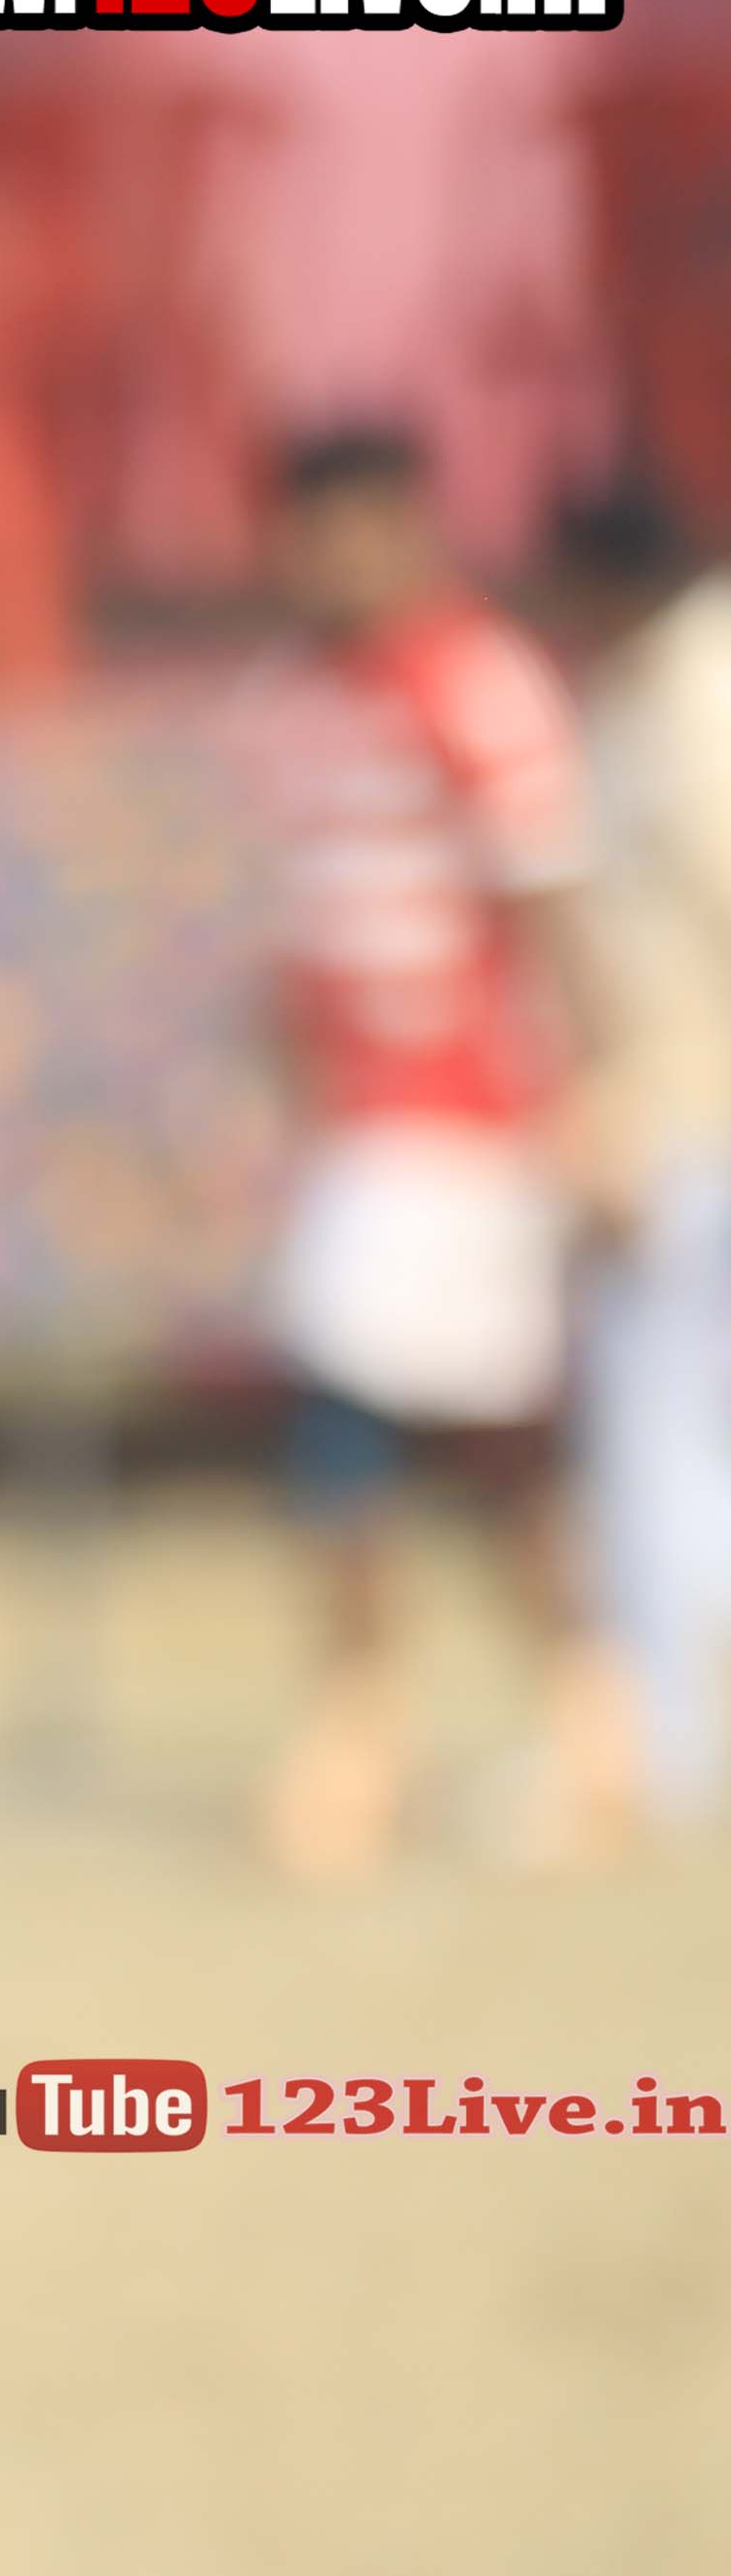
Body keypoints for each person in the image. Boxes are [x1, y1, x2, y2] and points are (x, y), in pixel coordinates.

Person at [233, 423, 635, 1878]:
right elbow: (291, 932)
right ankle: (527, 1714)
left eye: (363, 524)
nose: (338, 556)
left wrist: (594, 1098)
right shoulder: (284, 703)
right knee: (442, 1439)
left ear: (414, 526)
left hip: (463, 1124)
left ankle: (396, 1727)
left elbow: (551, 903)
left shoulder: (479, 681)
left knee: (396, 1429)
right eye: (313, 528)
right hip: (353, 1130)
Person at [554, 480, 731, 1827]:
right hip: (677, 1111)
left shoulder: (689, 697)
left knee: (658, 1436)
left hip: (691, 1118)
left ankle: (665, 1741)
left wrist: (621, 1109)